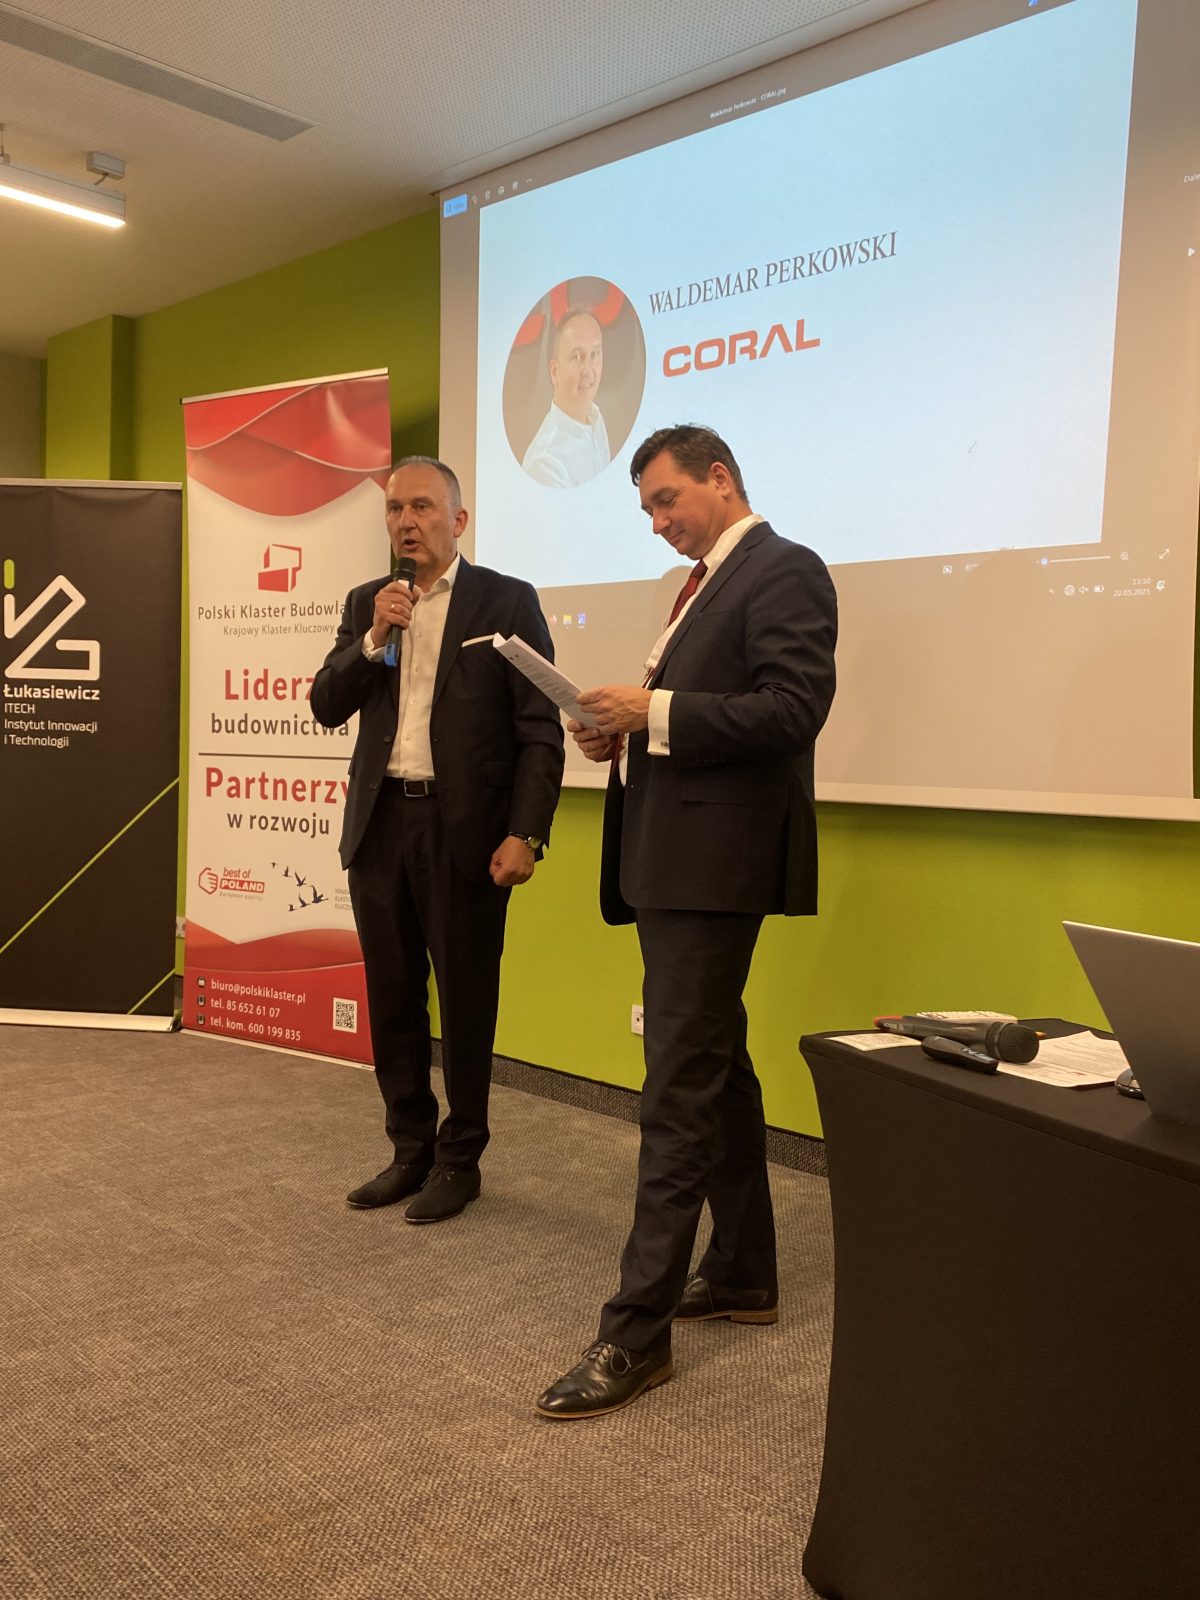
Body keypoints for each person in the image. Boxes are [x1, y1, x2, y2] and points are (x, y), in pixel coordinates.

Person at [535, 424, 837, 1418]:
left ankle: (636, 1334)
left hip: (715, 869)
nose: (658, 523)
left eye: (667, 500)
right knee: (716, 1065)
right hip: (672, 860)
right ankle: (745, 1270)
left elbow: (791, 709)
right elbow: (705, 714)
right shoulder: (705, 585)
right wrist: (619, 731)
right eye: (646, 510)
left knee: (675, 1088)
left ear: (720, 477)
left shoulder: (784, 569)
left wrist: (653, 712)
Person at [311, 456, 564, 1223]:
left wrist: (526, 832)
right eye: (395, 509)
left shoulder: (505, 600)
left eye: (421, 507)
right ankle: (409, 1150)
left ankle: (460, 1160)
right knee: (393, 998)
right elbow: (327, 703)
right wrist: (374, 635)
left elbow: (539, 729)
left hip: (465, 832)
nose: (406, 521)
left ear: (458, 520)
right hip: (380, 825)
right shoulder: (369, 602)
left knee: (465, 999)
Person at [521, 307, 610, 488]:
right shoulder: (544, 463)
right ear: (554, 372)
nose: (588, 370)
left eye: (594, 354)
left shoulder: (594, 416)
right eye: (577, 357)